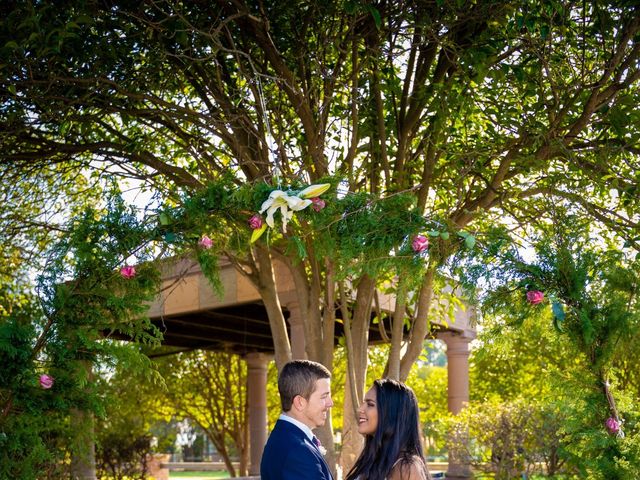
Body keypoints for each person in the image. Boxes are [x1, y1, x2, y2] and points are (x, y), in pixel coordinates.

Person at [260, 359, 334, 480]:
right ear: (299, 402)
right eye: (324, 396)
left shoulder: (284, 438)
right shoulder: (298, 451)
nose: (330, 403)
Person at [345, 378, 432, 480]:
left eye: (370, 404)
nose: (360, 409)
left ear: (391, 413)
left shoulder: (407, 468)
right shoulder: (372, 459)